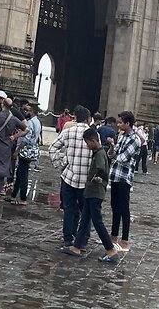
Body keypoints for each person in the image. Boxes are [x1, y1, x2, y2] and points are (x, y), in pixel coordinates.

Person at [62, 127, 120, 262]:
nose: (87, 145)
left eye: (87, 142)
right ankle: (76, 247)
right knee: (85, 219)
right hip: (90, 192)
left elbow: (101, 170)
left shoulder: (100, 153)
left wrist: (97, 178)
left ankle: (111, 251)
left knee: (97, 222)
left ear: (93, 141)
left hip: (95, 192)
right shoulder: (99, 152)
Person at [49, 105, 93, 251]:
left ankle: (68, 239)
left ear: (75, 118)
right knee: (85, 211)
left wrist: (60, 165)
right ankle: (82, 240)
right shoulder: (93, 134)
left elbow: (52, 148)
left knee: (69, 209)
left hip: (68, 177)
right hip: (85, 179)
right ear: (88, 119)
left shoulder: (68, 132)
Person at [108, 110, 142, 253]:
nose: (118, 124)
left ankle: (125, 239)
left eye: (121, 122)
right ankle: (114, 236)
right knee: (114, 205)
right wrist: (111, 146)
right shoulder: (121, 136)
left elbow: (124, 157)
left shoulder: (135, 139)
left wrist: (114, 153)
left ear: (128, 123)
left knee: (124, 208)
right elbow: (113, 154)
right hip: (115, 175)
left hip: (125, 177)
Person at [8, 102, 43, 205]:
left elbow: (27, 139)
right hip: (31, 150)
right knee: (20, 173)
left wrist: (17, 150)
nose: (25, 112)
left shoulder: (31, 123)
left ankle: (23, 198)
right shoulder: (37, 122)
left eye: (27, 111)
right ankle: (14, 195)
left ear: (32, 112)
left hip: (26, 150)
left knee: (23, 174)